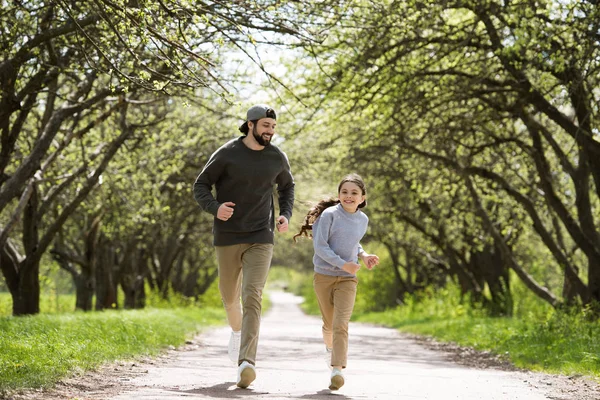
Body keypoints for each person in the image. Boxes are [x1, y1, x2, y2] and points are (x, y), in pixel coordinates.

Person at [194, 104, 295, 388]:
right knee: (229, 297)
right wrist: (214, 208)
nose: (270, 131)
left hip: (261, 234)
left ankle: (246, 362)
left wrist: (285, 213)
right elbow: (200, 184)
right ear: (250, 125)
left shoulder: (277, 157)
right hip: (227, 234)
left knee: (253, 295)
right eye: (265, 126)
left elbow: (287, 187)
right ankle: (237, 332)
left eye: (273, 127)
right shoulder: (227, 153)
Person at [294, 173, 379, 391]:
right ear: (339, 194)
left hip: (348, 278)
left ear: (362, 197)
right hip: (324, 276)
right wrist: (344, 264)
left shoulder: (363, 219)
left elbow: (354, 243)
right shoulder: (329, 215)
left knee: (341, 324)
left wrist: (363, 256)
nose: (348, 196)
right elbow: (320, 247)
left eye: (354, 193)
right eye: (344, 192)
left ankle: (337, 370)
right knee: (329, 325)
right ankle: (329, 349)